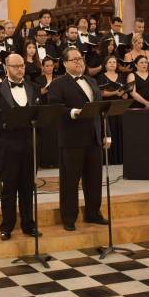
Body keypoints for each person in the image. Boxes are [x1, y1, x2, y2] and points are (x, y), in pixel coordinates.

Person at [0, 53, 41, 240]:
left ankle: (28, 224)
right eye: (15, 66)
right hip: (6, 143)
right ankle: (6, 226)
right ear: (6, 68)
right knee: (8, 187)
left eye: (21, 65)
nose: (19, 69)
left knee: (27, 186)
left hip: (29, 143)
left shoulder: (34, 88)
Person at [48, 48, 107, 231]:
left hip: (94, 137)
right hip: (72, 138)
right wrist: (72, 112)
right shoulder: (58, 84)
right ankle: (69, 217)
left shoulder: (91, 80)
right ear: (65, 63)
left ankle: (93, 213)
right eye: (74, 59)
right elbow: (54, 107)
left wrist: (106, 133)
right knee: (70, 181)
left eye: (81, 58)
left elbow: (101, 110)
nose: (79, 62)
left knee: (94, 179)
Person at [96, 55, 127, 164]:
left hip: (119, 107)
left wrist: (124, 94)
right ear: (105, 65)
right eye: (110, 62)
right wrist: (115, 92)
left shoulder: (121, 76)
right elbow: (101, 93)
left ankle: (120, 159)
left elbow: (125, 93)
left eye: (114, 62)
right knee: (110, 131)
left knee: (120, 131)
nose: (113, 64)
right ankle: (110, 159)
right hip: (108, 107)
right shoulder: (101, 77)